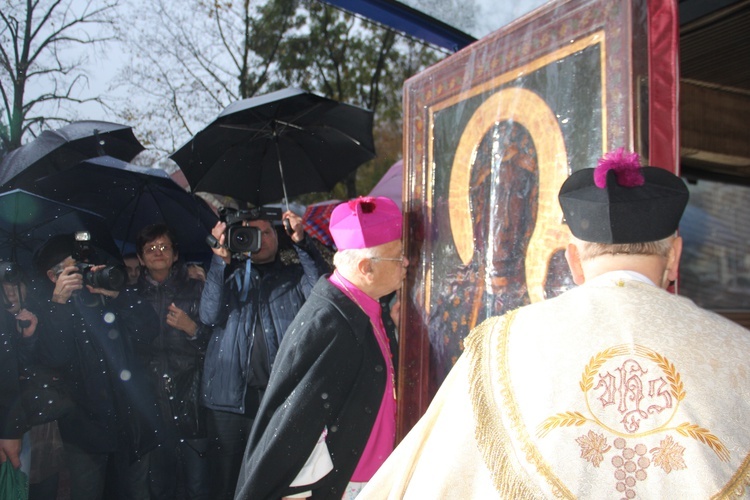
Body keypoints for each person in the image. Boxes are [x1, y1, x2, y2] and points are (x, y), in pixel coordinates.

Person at [359, 148, 750, 498]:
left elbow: (428, 479)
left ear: (574, 260)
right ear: (675, 256)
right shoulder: (740, 353)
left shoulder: (498, 345)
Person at [234, 196, 406, 500]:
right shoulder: (330, 325)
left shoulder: (366, 303)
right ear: (366, 267)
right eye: (399, 256)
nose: (406, 263)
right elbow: (290, 429)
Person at [200, 208, 330, 499]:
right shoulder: (229, 278)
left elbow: (323, 293)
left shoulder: (295, 277)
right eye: (251, 233)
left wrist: (303, 244)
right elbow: (208, 315)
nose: (260, 239)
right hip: (228, 402)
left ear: (278, 236)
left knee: (272, 481)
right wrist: (219, 263)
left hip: (278, 398)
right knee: (224, 482)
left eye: (268, 232)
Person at [32, 233, 163, 500]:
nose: (80, 275)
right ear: (52, 276)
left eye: (82, 267)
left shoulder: (107, 297)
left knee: (137, 493)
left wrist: (117, 295)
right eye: (71, 270)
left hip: (131, 420)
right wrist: (59, 305)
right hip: (85, 431)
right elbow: (53, 357)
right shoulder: (48, 310)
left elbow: (149, 329)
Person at [130, 224, 211, 499]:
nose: (158, 253)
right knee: (159, 486)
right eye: (150, 249)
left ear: (176, 254)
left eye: (164, 247)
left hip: (192, 397)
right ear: (140, 258)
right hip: (151, 401)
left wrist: (192, 329)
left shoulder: (198, 288)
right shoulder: (132, 297)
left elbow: (215, 346)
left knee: (197, 484)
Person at [0, 263, 64, 499]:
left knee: (41, 484)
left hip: (39, 424)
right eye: (4, 289)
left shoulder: (41, 317)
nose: (10, 294)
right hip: (11, 421)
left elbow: (52, 362)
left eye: (15, 288)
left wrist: (29, 337)